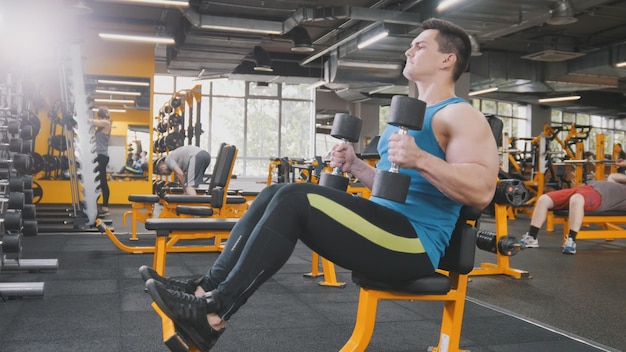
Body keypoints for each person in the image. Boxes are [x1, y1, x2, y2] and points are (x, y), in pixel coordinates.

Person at [140, 18, 500, 351]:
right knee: (274, 193)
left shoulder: (459, 114)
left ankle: (212, 312)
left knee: (295, 198)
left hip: (414, 245)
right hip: (386, 226)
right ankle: (206, 288)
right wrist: (357, 166)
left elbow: (482, 192)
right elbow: (395, 189)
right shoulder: (407, 119)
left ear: (447, 59)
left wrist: (421, 158)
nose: (409, 50)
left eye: (420, 46)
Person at [520, 180, 626, 254]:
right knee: (544, 199)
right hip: (584, 187)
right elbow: (613, 176)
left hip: (600, 197)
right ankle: (532, 237)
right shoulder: (618, 182)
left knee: (576, 199)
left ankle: (571, 241)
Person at [89, 107, 112, 216]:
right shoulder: (100, 125)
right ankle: (97, 205)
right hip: (98, 156)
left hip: (102, 156)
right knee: (98, 181)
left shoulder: (106, 123)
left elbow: (90, 121)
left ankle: (105, 206)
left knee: (102, 181)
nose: (109, 115)